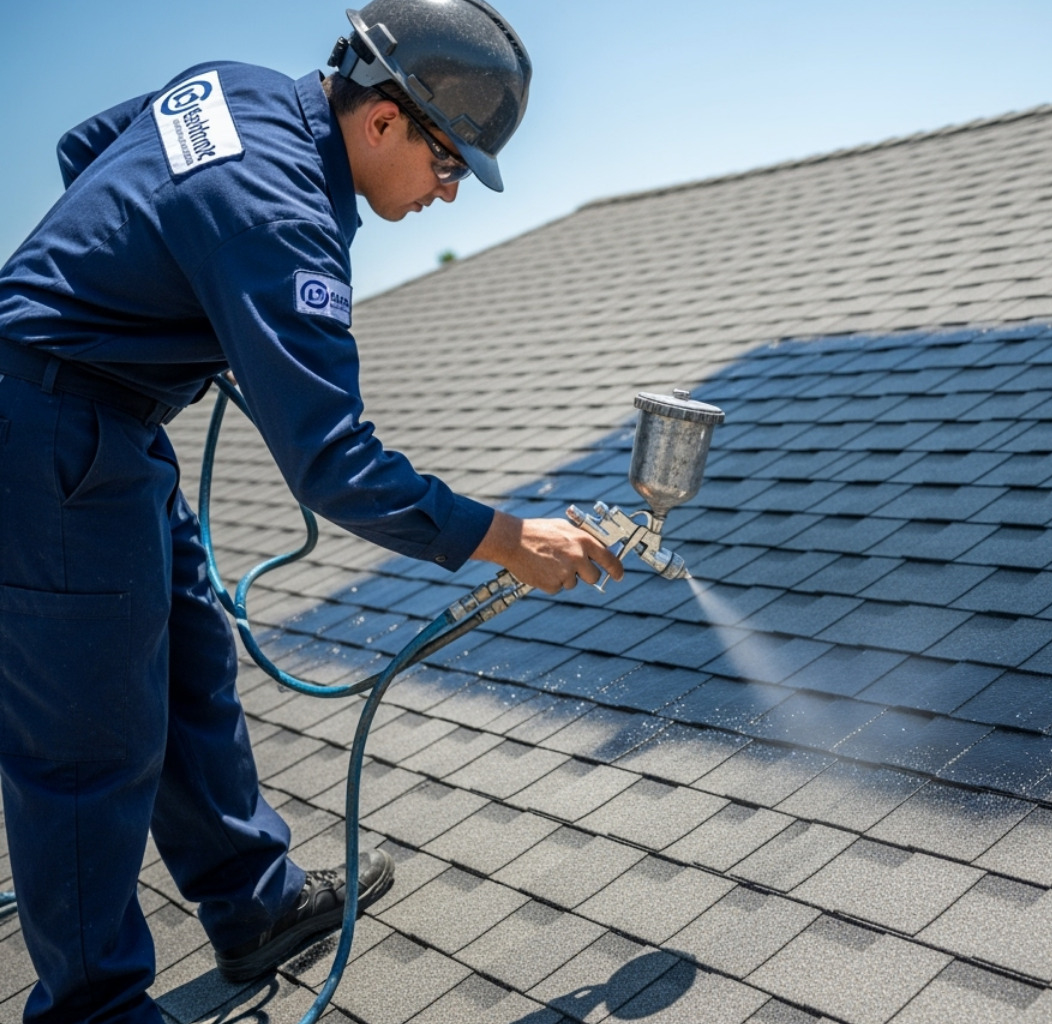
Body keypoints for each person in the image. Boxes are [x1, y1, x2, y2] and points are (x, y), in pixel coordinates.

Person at [0, 2, 622, 1021]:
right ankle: (92, 1010)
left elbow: (87, 151)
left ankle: (254, 902)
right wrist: (508, 538)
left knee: (189, 663)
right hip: (46, 433)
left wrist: (159, 293)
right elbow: (336, 464)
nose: (449, 191)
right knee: (86, 743)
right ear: (385, 121)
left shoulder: (233, 87)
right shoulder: (281, 209)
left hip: (103, 423)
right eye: (450, 163)